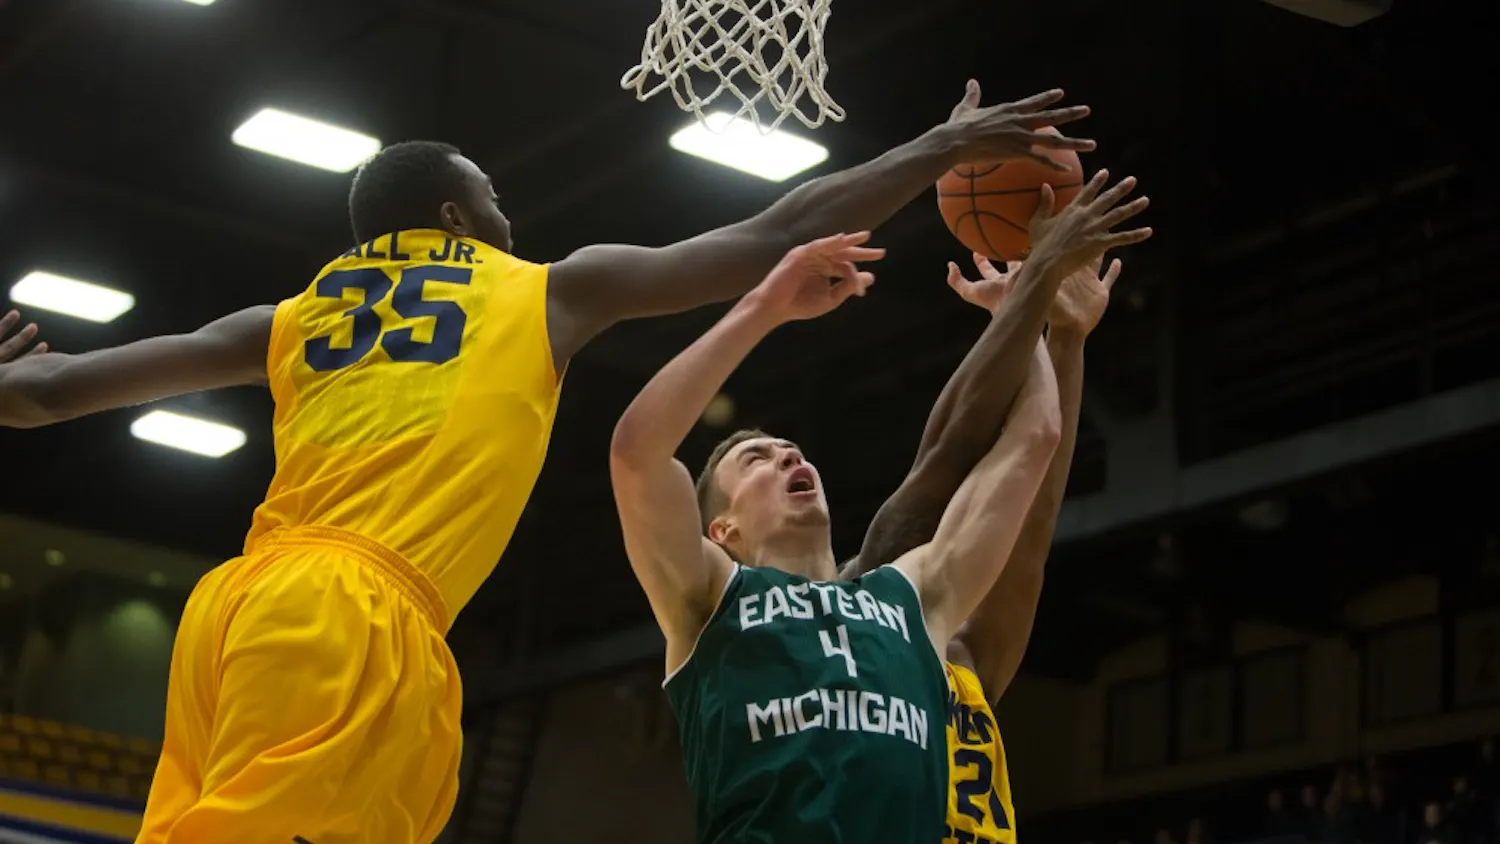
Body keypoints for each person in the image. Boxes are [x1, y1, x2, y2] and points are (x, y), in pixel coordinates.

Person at [0, 81, 1094, 843]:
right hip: (351, 608)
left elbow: (47, 391)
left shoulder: (289, 318)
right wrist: (936, 149)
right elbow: (773, 234)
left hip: (238, 608)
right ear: (454, 216)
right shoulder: (538, 290)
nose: (507, 213)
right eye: (492, 195)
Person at [607, 169, 1147, 841]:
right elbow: (637, 454)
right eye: (757, 459)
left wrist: (1030, 305)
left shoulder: (910, 598)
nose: (788, 457)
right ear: (722, 529)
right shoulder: (713, 599)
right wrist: (765, 306)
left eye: (791, 450)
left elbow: (1035, 442)